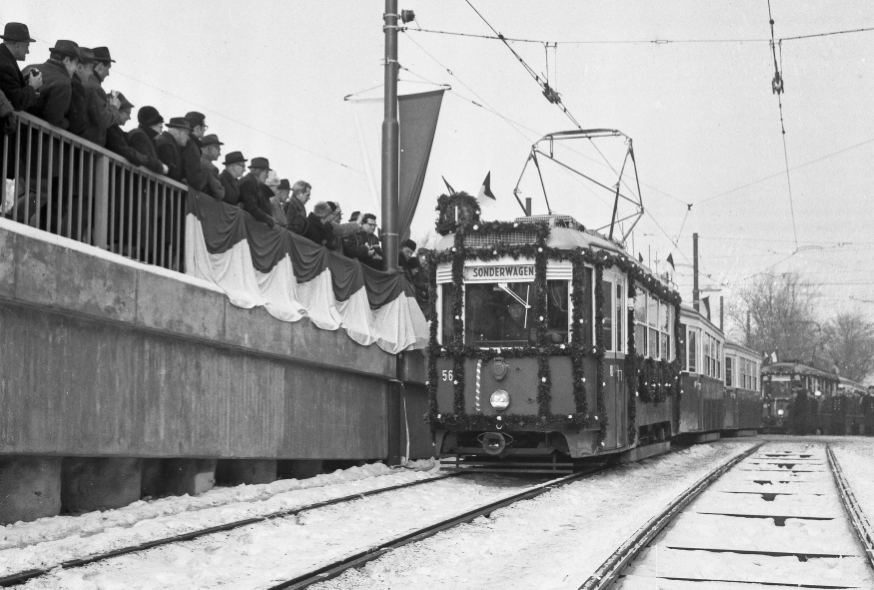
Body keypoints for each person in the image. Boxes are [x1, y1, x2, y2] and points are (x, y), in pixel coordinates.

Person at [22, 40, 79, 130]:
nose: (76, 69)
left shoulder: (29, 67)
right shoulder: (63, 83)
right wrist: (67, 124)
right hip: (32, 137)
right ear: (67, 60)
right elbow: (54, 119)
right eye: (76, 64)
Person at [81, 46, 122, 147]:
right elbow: (103, 120)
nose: (108, 74)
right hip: (87, 147)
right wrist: (114, 108)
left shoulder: (84, 82)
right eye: (108, 68)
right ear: (99, 66)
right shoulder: (95, 88)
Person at [0, 23, 42, 113]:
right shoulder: (6, 66)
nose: (28, 51)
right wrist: (32, 86)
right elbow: (18, 102)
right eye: (27, 46)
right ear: (18, 44)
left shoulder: (5, 59)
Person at [127, 106, 168, 175]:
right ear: (151, 124)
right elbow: (145, 159)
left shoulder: (148, 138)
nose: (161, 131)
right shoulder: (139, 136)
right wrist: (161, 167)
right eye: (160, 127)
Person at [237, 156, 275, 228]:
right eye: (266, 172)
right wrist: (267, 218)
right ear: (258, 171)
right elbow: (251, 207)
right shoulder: (249, 183)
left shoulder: (251, 182)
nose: (267, 176)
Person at [67, 47, 94, 136]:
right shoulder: (77, 86)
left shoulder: (67, 80)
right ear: (80, 67)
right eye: (90, 68)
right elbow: (77, 123)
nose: (91, 73)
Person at [155, 117, 191, 182]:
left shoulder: (166, 142)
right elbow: (169, 173)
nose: (188, 138)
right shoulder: (168, 145)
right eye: (187, 134)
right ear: (181, 132)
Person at [181, 111, 206, 191]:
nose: (205, 130)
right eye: (204, 127)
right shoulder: (192, 146)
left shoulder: (185, 141)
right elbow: (194, 177)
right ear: (198, 129)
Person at [199, 134, 224, 200]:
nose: (219, 154)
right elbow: (219, 193)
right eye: (218, 149)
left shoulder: (196, 161)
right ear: (209, 148)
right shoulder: (209, 167)